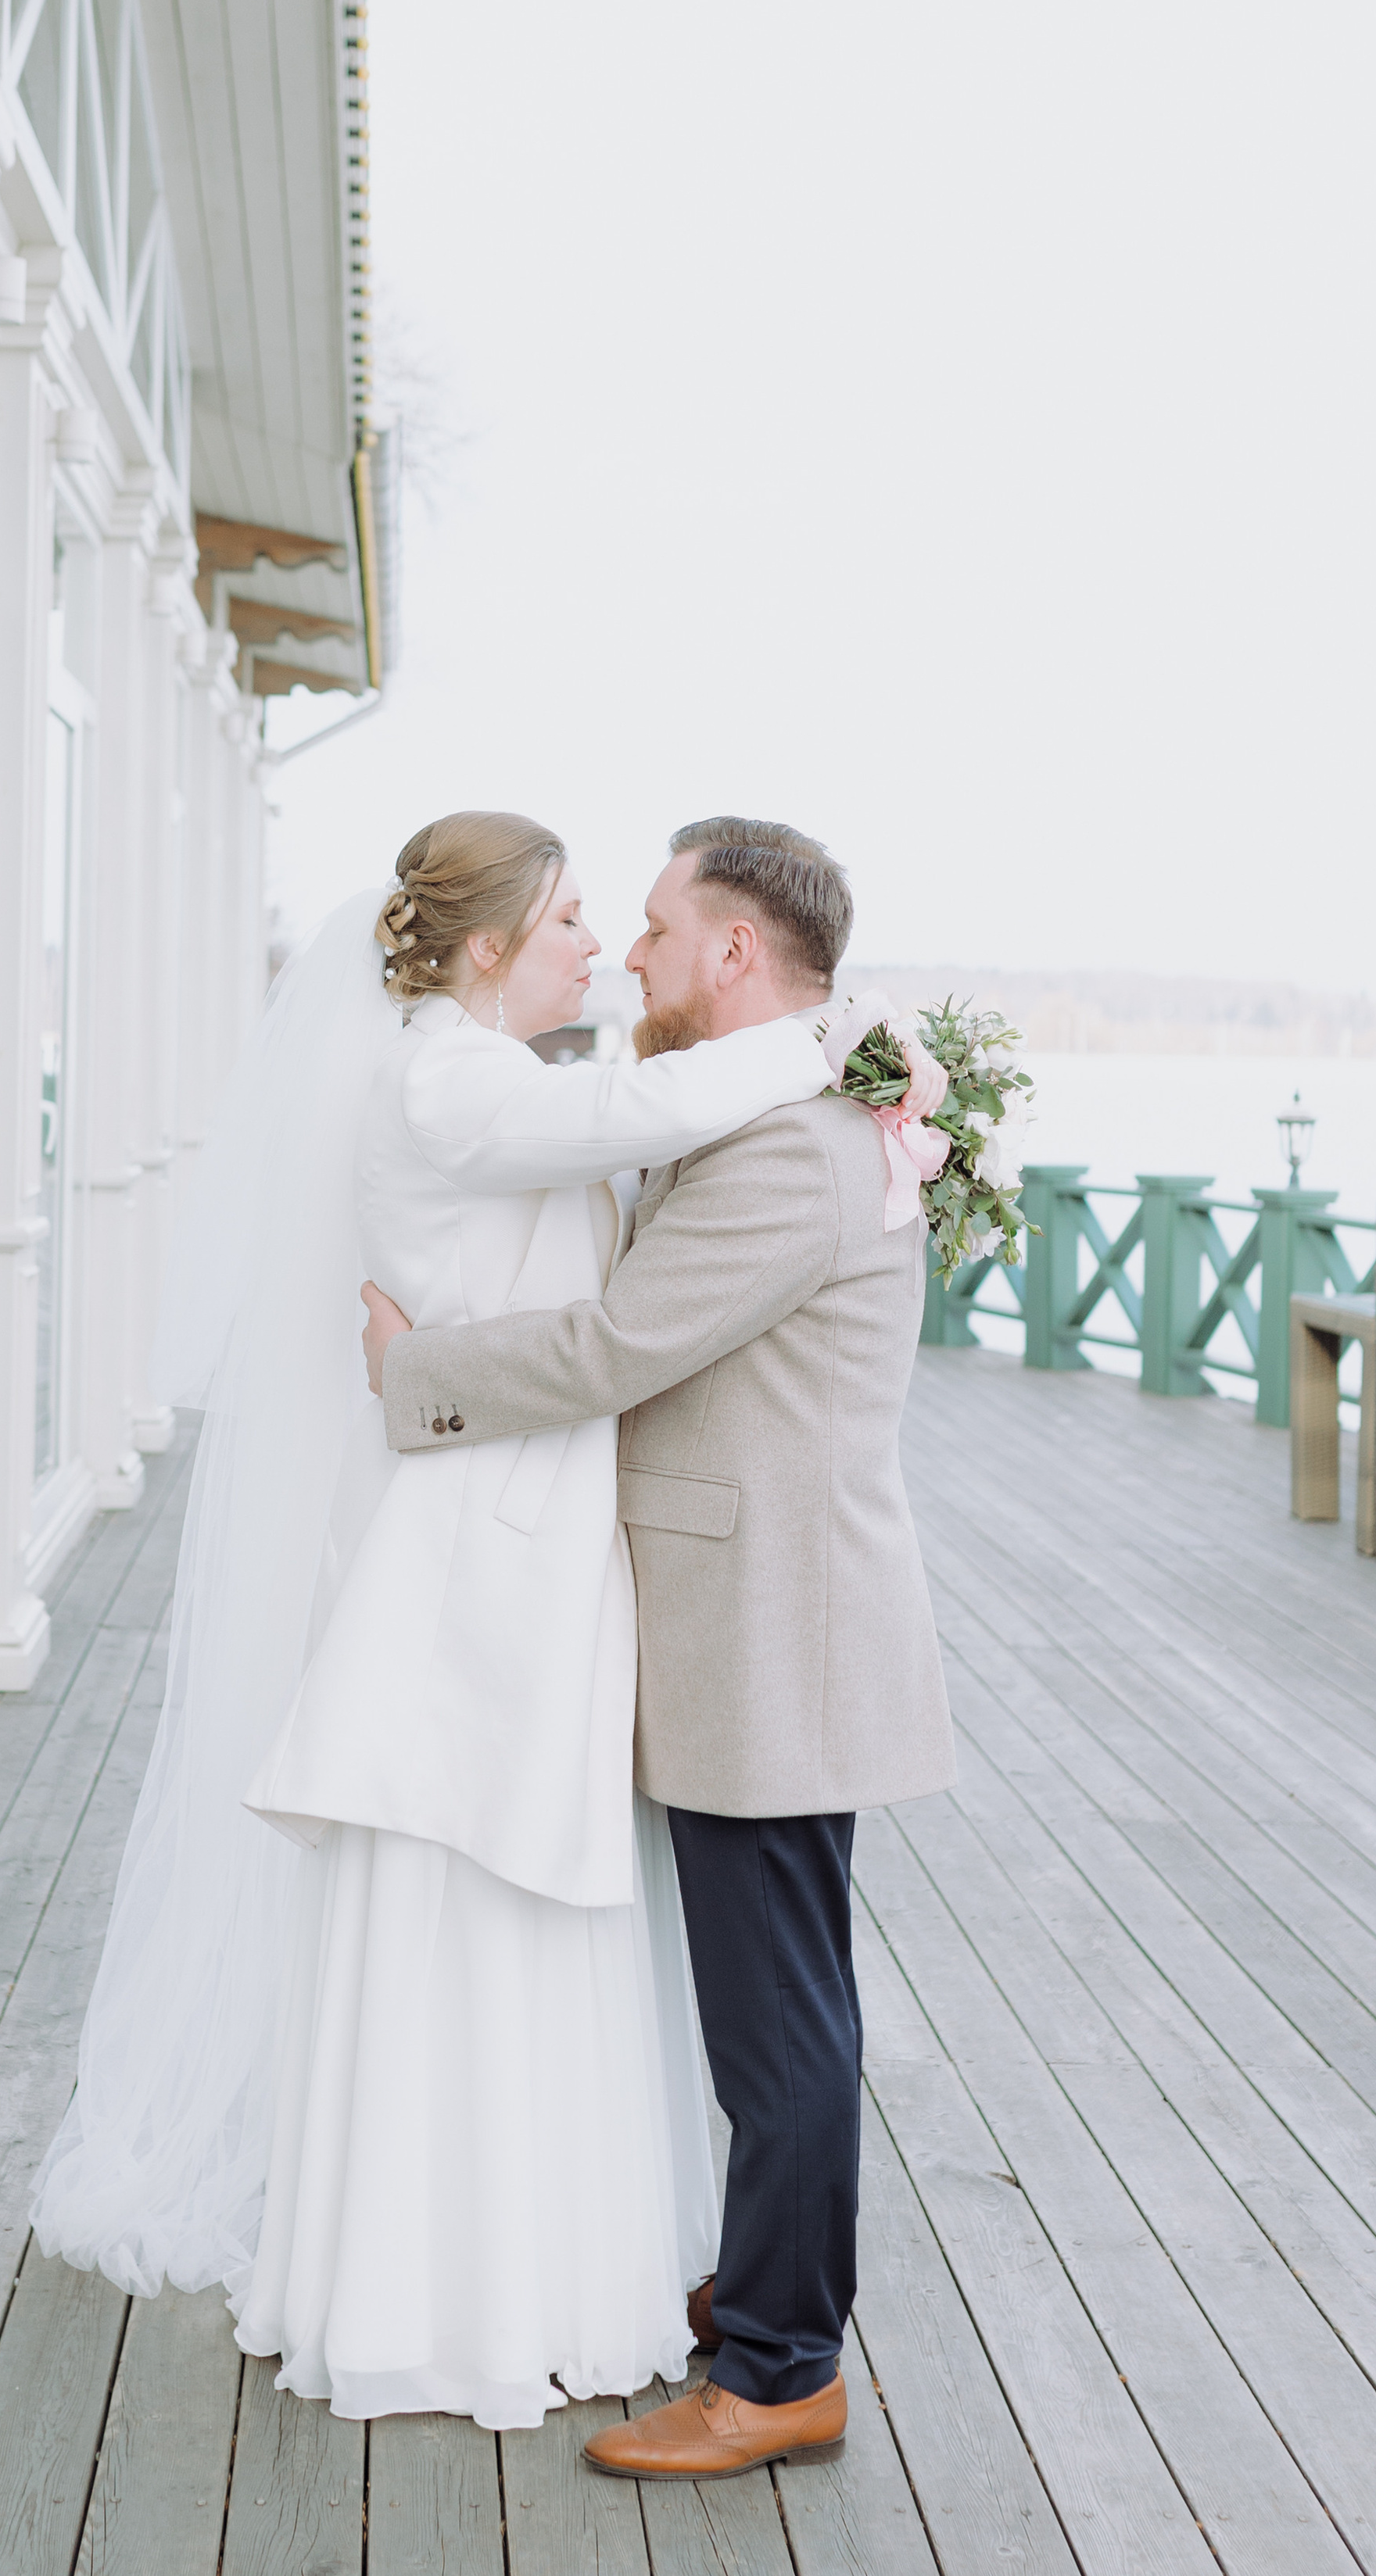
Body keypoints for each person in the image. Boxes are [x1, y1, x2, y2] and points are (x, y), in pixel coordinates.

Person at [30, 810, 844, 2430]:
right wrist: (859, 1064)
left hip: (521, 1528)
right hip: (483, 1535)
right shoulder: (451, 1081)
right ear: (488, 950)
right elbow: (655, 1107)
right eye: (568, 924)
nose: (600, 951)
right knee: (462, 1902)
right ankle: (442, 2288)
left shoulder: (486, 1079)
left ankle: (507, 2264)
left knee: (508, 1914)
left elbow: (635, 1122)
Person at [360, 818, 955, 2478]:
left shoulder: (789, 1149)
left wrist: (419, 1372)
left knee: (776, 2021)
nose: (626, 953)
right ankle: (774, 2292)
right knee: (787, 1999)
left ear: (735, 957)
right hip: (766, 1618)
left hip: (773, 1630)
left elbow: (627, 1341)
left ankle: (776, 2373)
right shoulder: (803, 1103)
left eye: (649, 926)